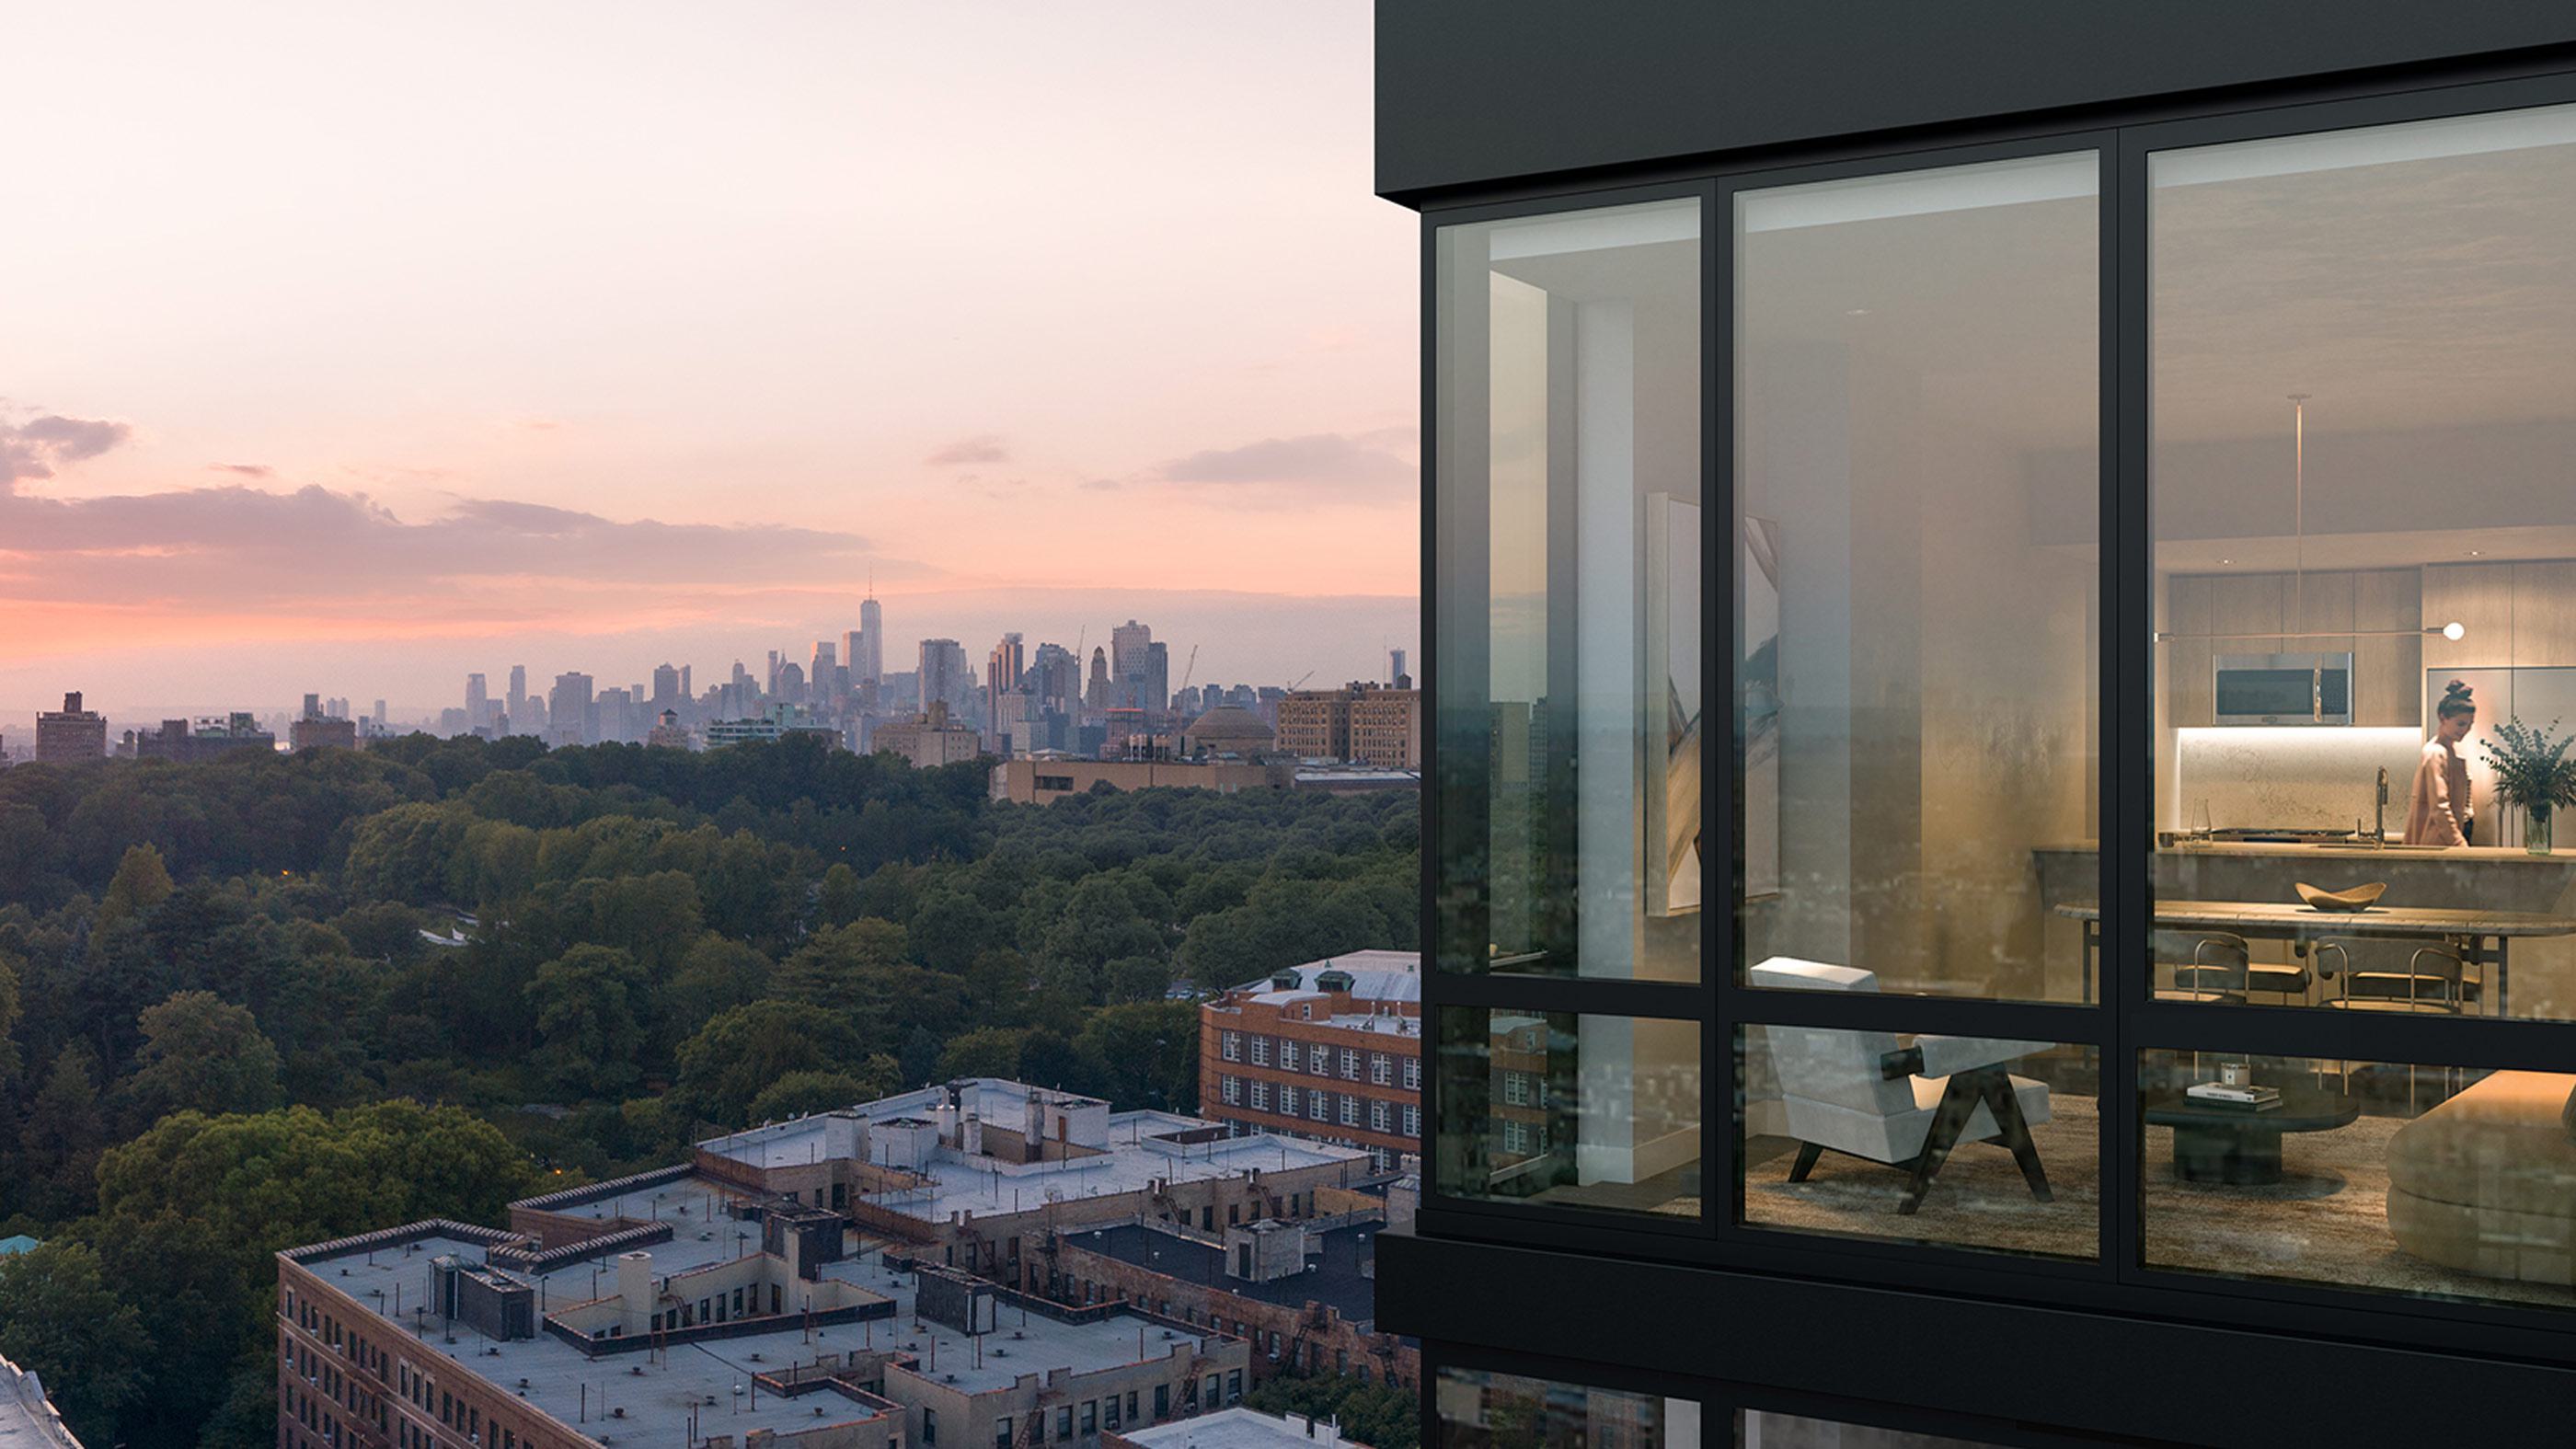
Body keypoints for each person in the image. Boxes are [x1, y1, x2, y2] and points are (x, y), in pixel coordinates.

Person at [2406, 679, 2478, 846]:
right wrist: (2459, 842)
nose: (2465, 730)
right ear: (2443, 718)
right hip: (2436, 842)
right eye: (2460, 724)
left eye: (2469, 725)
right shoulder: (2436, 753)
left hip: (2441, 842)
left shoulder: (2448, 751)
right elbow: (2440, 807)